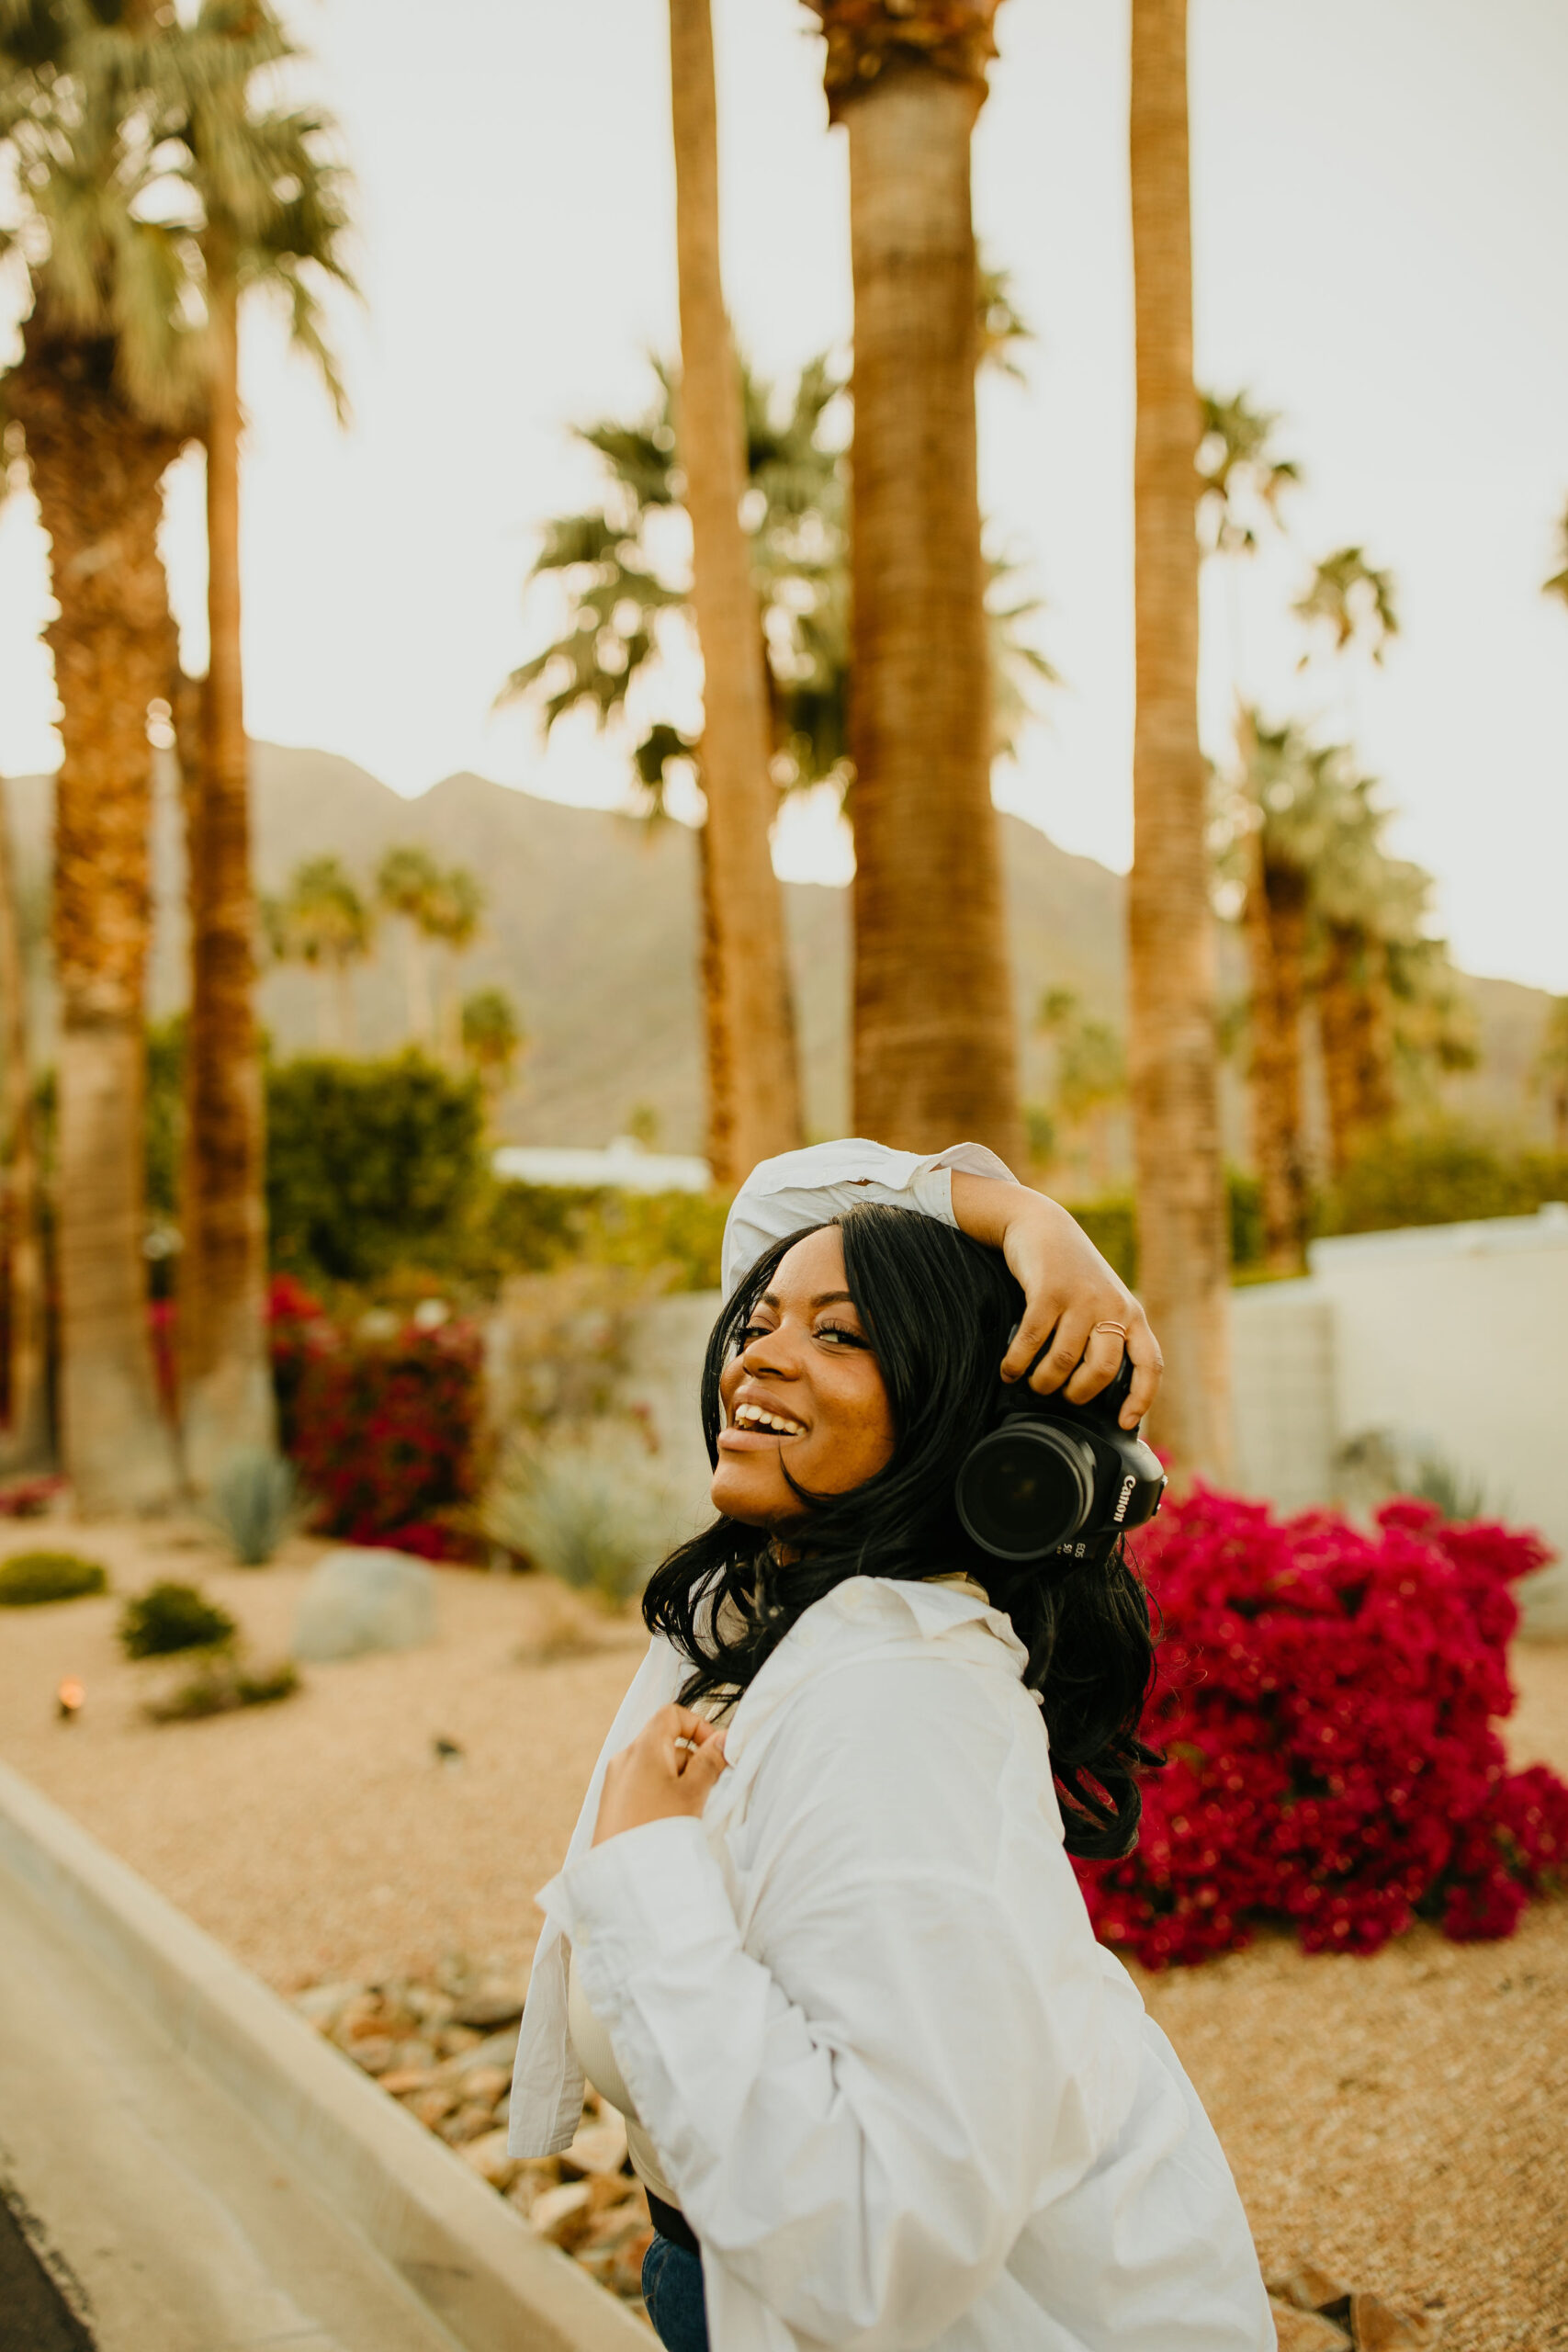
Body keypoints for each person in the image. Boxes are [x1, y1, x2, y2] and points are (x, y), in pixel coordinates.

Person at [508, 1141, 1272, 2352]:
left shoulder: (899, 1703)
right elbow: (779, 1204)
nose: (757, 1354)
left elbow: (881, 2245)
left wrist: (646, 1861)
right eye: (758, 1325)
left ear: (954, 1411)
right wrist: (1029, 1218)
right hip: (710, 2274)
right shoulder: (807, 1606)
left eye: (843, 1338)